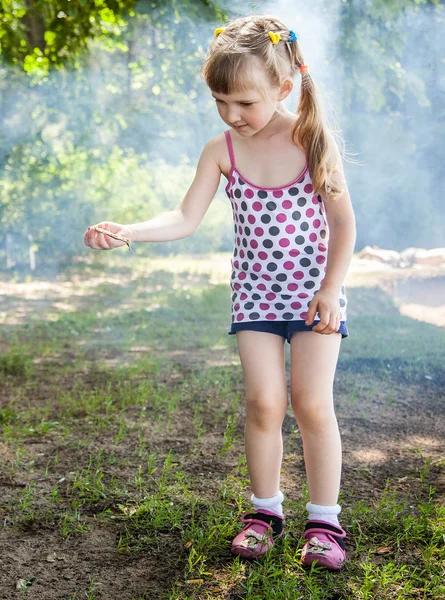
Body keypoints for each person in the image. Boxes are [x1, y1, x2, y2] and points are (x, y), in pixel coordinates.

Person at [84, 13, 356, 571]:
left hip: (314, 295)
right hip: (255, 296)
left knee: (309, 404)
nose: (233, 115)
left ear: (283, 87)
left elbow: (345, 223)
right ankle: (265, 514)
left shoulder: (310, 138)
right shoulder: (221, 150)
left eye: (245, 104)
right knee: (263, 403)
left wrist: (332, 287)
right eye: (220, 101)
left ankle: (325, 523)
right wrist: (128, 231)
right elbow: (185, 217)